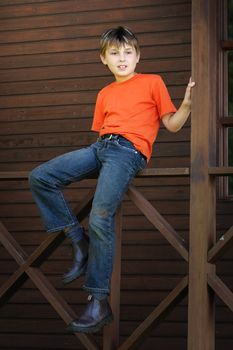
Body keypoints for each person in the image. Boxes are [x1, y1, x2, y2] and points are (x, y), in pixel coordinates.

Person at [29, 26, 195, 334]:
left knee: (101, 216)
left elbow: (171, 126)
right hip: (101, 147)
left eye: (128, 52)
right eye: (115, 54)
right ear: (103, 59)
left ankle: (98, 301)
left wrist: (186, 104)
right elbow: (103, 135)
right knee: (41, 176)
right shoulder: (104, 93)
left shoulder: (152, 82)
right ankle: (79, 243)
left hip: (129, 152)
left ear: (138, 56)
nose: (122, 59)